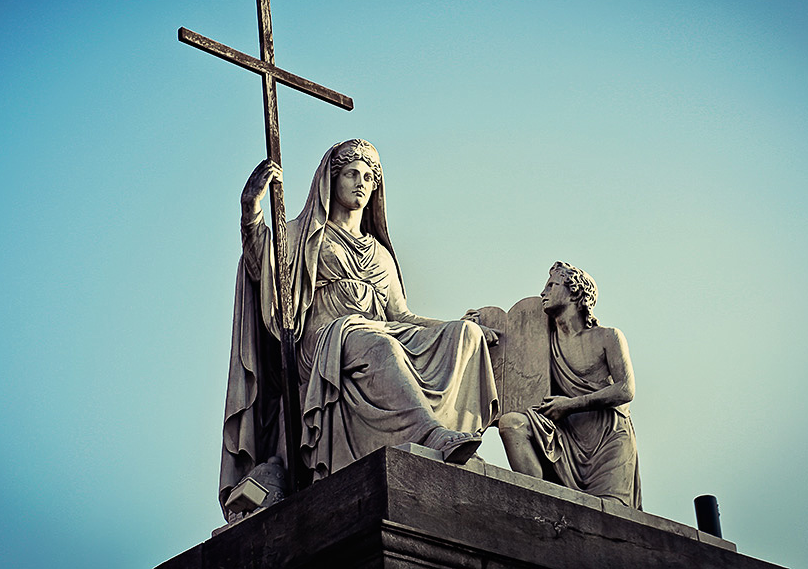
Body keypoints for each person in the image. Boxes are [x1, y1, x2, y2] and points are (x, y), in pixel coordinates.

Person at [219, 139, 499, 517]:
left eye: (369, 177)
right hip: (323, 343)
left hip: (376, 334)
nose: (361, 183)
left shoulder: (379, 252)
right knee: (372, 341)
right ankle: (431, 435)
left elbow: (402, 316)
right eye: (352, 173)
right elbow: (261, 264)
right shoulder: (303, 234)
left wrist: (458, 325)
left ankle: (457, 440)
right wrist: (250, 211)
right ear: (331, 180)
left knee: (462, 336)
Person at [498, 262, 641, 508]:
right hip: (565, 434)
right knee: (511, 423)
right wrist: (477, 324)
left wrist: (571, 404)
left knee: (610, 517)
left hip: (607, 437)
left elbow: (626, 389)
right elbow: (503, 350)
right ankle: (538, 506)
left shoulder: (608, 336)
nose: (543, 293)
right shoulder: (542, 341)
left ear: (574, 292)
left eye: (551, 285)